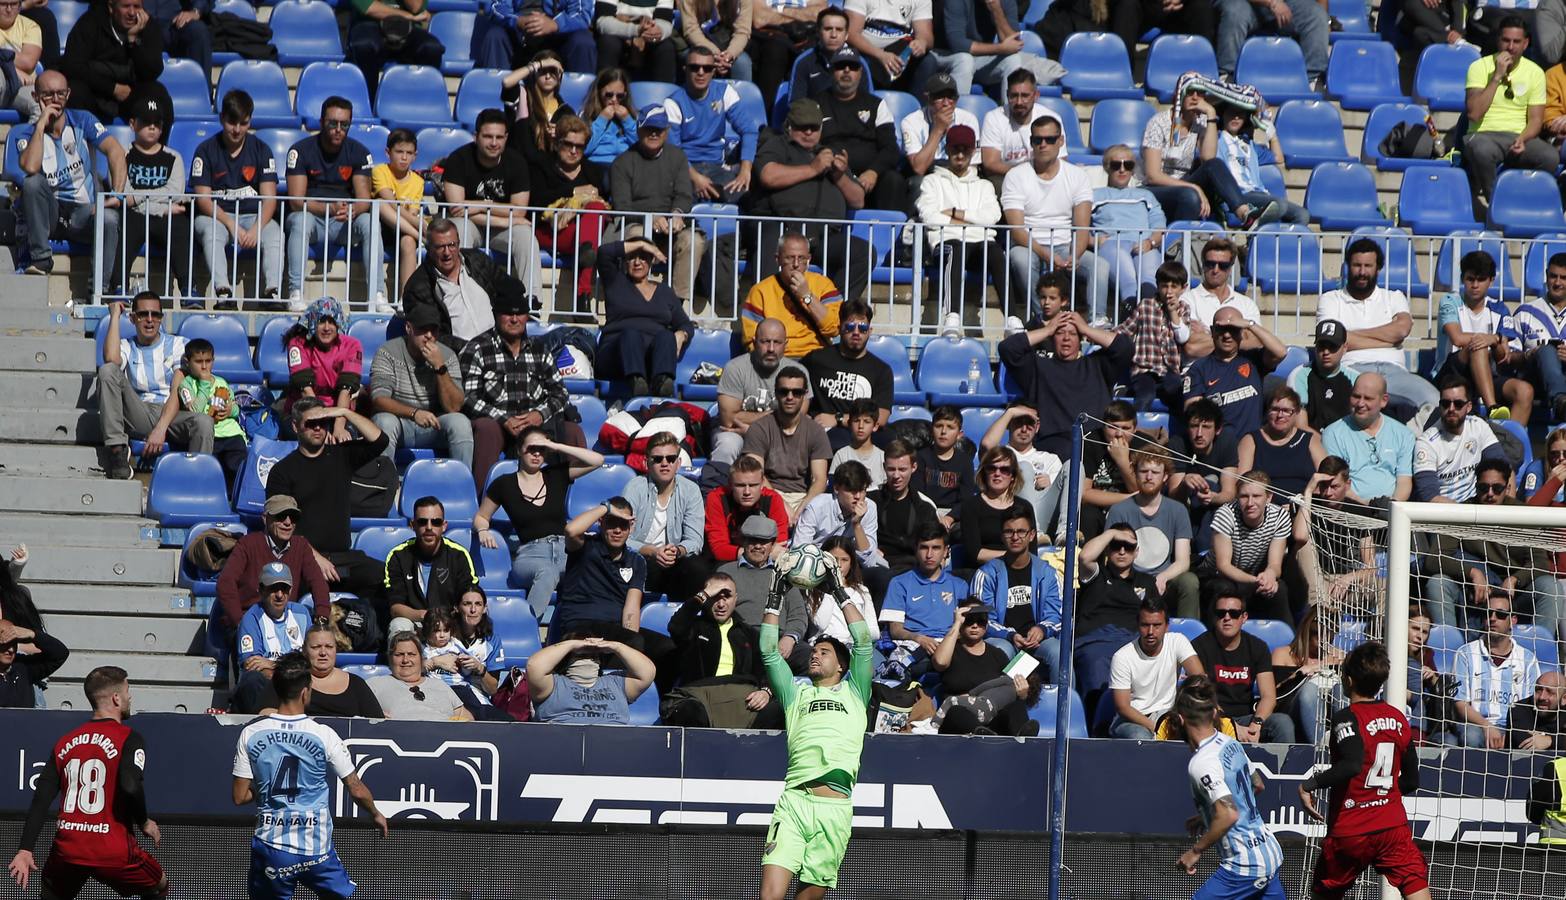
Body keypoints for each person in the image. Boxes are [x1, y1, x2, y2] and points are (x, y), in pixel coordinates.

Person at [758, 542, 873, 900]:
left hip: (834, 808)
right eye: (814, 651)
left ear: (842, 665)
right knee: (770, 897)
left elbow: (864, 640)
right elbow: (767, 649)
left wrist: (839, 590)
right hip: (794, 802)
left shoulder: (855, 693)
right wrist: (776, 592)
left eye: (825, 652)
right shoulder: (796, 694)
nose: (816, 656)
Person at [234, 652, 388, 897]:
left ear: (276, 688)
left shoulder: (251, 734)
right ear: (306, 692)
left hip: (272, 847)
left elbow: (240, 797)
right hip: (316, 850)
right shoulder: (323, 734)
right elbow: (356, 788)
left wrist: (262, 788)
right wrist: (376, 813)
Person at [9, 667, 167, 899]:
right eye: (127, 691)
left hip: (69, 849)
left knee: (51, 890)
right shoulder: (129, 737)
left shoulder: (66, 741)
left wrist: (25, 849)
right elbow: (131, 785)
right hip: (113, 849)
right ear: (116, 698)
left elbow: (41, 797)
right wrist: (144, 822)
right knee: (159, 885)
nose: (129, 696)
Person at [1298, 642, 1432, 900]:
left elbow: (1351, 764)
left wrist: (1309, 785)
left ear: (1348, 680)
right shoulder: (1398, 718)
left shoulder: (1346, 717)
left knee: (1325, 891)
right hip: (1391, 826)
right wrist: (1386, 793)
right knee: (1414, 883)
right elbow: (1412, 780)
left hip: (1352, 827)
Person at [458, 281, 584, 492]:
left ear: (527, 316)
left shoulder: (540, 349)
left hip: (536, 423)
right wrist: (503, 418)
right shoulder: (477, 348)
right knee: (486, 429)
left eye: (520, 314)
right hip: (497, 423)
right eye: (508, 313)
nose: (514, 319)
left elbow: (560, 393)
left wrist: (539, 415)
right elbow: (468, 397)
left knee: (572, 431)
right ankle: (482, 501)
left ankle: (574, 503)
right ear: (496, 314)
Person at [265, 399, 390, 605]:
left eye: (322, 422)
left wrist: (343, 412)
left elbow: (380, 441)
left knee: (385, 579)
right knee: (283, 586)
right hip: (303, 558)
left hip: (343, 558)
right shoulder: (282, 471)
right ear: (295, 427)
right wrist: (314, 557)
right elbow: (279, 525)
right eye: (310, 423)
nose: (317, 428)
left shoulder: (342, 455)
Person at [1171, 675, 1285, 897]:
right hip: (1270, 851)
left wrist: (1195, 851)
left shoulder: (1201, 762)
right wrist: (1209, 814)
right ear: (1214, 714)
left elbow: (1229, 814)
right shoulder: (1229, 742)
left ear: (1181, 720)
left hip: (1245, 866)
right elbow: (1257, 785)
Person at [749, 101, 872, 305]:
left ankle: (832, 311)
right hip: (782, 230)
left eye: (813, 127)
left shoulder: (829, 154)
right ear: (789, 126)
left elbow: (858, 200)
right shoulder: (777, 145)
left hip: (823, 237)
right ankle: (768, 313)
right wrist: (813, 169)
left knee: (861, 252)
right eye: (801, 127)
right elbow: (768, 175)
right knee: (769, 240)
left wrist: (839, 176)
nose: (808, 132)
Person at [473, 426, 603, 617]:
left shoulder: (555, 474)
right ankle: (526, 625)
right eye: (531, 448)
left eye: (541, 449)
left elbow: (597, 460)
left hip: (565, 550)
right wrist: (483, 530)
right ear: (519, 450)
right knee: (547, 572)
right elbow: (481, 517)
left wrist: (555, 445)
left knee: (594, 570)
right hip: (530, 554)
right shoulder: (504, 484)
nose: (536, 453)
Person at [18, 69, 124, 287]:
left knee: (110, 218)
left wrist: (116, 195)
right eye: (48, 94)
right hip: (51, 213)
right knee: (32, 182)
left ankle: (98, 290)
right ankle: (41, 260)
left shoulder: (82, 120)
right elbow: (30, 167)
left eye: (60, 93)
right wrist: (40, 125)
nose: (55, 100)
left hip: (83, 211)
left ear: (68, 94)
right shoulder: (27, 133)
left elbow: (116, 151)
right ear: (36, 97)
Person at [1318, 238, 1441, 417]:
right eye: (1356, 265)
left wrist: (1349, 336)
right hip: (1352, 370)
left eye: (1368, 266)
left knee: (1435, 401)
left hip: (1395, 372)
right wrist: (1387, 341)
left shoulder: (1394, 297)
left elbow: (1401, 331)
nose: (1362, 272)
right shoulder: (1330, 299)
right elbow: (1333, 342)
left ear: (1378, 268)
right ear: (1347, 266)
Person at [1002, 114, 1109, 317]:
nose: (1043, 144)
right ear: (1031, 142)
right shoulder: (1015, 176)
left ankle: (1098, 320)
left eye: (1050, 139)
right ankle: (1041, 319)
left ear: (1060, 141)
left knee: (1100, 266)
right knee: (1022, 260)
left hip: (1065, 245)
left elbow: (1082, 227)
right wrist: (1048, 255)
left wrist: (1074, 255)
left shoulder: (1077, 176)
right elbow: (1017, 231)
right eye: (1037, 140)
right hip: (1029, 245)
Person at [95, 292, 210, 480]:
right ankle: (117, 451)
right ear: (133, 318)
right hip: (138, 412)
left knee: (204, 423)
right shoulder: (126, 345)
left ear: (161, 318)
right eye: (143, 315)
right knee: (108, 371)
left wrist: (160, 429)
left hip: (173, 413)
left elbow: (177, 391)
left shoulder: (178, 345)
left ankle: (196, 481)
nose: (150, 320)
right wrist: (115, 316)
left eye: (155, 315)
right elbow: (111, 359)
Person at [284, 98, 384, 311]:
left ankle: (377, 294)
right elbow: (295, 200)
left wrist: (353, 210)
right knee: (300, 219)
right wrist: (327, 208)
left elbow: (364, 199)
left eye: (344, 124)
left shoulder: (359, 152)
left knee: (369, 221)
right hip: (311, 220)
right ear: (321, 122)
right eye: (332, 123)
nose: (338, 129)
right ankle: (295, 292)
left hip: (342, 223)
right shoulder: (301, 150)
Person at [999, 309, 1135, 459]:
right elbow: (1008, 348)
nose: (1066, 338)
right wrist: (1047, 329)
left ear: (1081, 338)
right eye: (1059, 333)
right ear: (1052, 338)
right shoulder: (1037, 367)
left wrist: (1086, 329)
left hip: (1094, 444)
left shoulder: (1098, 365)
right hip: (1053, 447)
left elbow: (1125, 348)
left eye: (1073, 333)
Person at [191, 89, 283, 307]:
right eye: (232, 123)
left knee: (274, 234)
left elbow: (270, 199)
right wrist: (231, 224)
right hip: (217, 215)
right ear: (222, 118)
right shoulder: (205, 150)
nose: (237, 129)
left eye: (244, 123)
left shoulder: (262, 150)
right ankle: (223, 292)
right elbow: (203, 200)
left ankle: (272, 292)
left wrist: (255, 229)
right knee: (211, 232)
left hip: (253, 215)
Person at [608, 106, 705, 305]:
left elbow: (684, 196)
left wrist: (677, 214)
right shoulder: (622, 162)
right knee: (636, 235)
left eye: (659, 129)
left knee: (693, 240)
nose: (654, 133)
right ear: (638, 129)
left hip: (670, 229)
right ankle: (635, 299)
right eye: (649, 128)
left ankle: (676, 305)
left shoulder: (677, 157)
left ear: (667, 131)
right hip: (638, 224)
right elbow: (622, 207)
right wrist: (650, 219)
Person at [444, 108, 543, 299]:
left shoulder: (517, 162)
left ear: (506, 137)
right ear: (476, 137)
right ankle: (458, 296)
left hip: (496, 229)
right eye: (488, 136)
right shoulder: (458, 159)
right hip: (473, 224)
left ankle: (532, 303)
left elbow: (520, 211)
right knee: (459, 227)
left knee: (525, 236)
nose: (494, 143)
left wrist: (481, 205)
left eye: (499, 137)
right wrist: (507, 219)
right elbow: (457, 209)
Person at [662, 573, 783, 729]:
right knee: (688, 711)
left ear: (736, 599)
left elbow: (767, 669)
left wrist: (766, 691)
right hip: (700, 696)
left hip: (742, 698)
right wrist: (703, 594)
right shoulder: (693, 628)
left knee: (778, 711)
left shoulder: (749, 634)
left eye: (727, 596)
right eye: (715, 596)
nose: (721, 604)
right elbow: (675, 626)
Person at [917, 122, 1007, 330]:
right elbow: (928, 216)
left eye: (965, 149)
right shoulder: (932, 181)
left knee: (995, 251)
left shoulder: (984, 185)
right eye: (955, 149)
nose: (959, 154)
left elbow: (992, 216)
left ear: (973, 151)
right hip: (945, 244)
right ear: (947, 150)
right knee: (955, 247)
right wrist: (971, 221)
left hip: (978, 245)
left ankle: (1012, 319)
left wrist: (955, 213)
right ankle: (952, 317)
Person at [1465, 17, 1555, 218]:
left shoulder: (1535, 72)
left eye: (1516, 42)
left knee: (1549, 157)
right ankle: (1498, 205)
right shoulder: (1479, 67)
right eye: (1506, 41)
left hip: (1517, 136)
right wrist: (1496, 76)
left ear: (1526, 43)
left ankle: (1526, 203)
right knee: (1481, 149)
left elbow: (1536, 120)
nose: (1511, 47)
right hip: (1483, 134)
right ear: (1499, 41)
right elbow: (1474, 113)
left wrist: (1523, 138)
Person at [369, 304, 473, 471]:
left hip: (434, 425)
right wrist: (414, 413)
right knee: (384, 421)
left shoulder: (447, 356)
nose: (429, 336)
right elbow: (379, 399)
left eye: (434, 330)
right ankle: (382, 486)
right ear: (409, 328)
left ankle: (460, 483)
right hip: (400, 423)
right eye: (422, 330)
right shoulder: (387, 352)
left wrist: (440, 367)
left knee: (460, 423)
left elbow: (454, 407)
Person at [1436, 250, 1532, 424]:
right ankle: (1492, 407)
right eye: (1470, 279)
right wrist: (1493, 338)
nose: (1475, 285)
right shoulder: (1450, 301)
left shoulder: (1500, 308)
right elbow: (1457, 338)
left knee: (1524, 390)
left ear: (1491, 280)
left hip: (1488, 372)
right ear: (1463, 278)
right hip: (1452, 372)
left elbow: (1503, 357)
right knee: (1478, 346)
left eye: (1481, 280)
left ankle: (1510, 443)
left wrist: (1495, 341)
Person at [1192, 582, 1296, 743]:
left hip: (1246, 717)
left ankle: (1287, 768)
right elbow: (1203, 697)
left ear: (1244, 617)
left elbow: (1268, 696)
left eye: (1234, 613)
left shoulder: (1257, 647)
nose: (1227, 618)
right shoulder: (1199, 646)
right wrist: (1230, 726)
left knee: (1282, 723)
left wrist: (1257, 723)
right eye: (1221, 613)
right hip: (1212, 718)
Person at [1140, 86, 1260, 224]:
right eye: (1190, 93)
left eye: (1200, 93)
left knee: (1214, 165)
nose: (1195, 97)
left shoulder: (1201, 121)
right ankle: (1177, 241)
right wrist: (1193, 187)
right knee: (1190, 195)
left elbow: (1208, 159)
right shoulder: (1158, 123)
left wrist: (1211, 113)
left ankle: (1245, 214)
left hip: (1184, 184)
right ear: (1180, 95)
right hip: (1156, 188)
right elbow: (1152, 176)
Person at [114, 98, 195, 303]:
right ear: (132, 124)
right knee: (125, 223)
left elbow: (175, 192)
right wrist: (163, 208)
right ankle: (118, 286)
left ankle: (188, 287)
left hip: (159, 216)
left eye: (157, 123)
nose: (152, 127)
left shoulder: (173, 157)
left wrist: (139, 199)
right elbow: (124, 194)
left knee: (180, 226)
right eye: (146, 121)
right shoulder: (122, 155)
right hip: (136, 216)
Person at [1072, 525, 1163, 705]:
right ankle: (1097, 727)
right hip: (1095, 642)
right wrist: (1111, 533)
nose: (1122, 551)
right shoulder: (1096, 573)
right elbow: (1084, 556)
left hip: (1132, 643)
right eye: (1115, 545)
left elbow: (1157, 618)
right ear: (1107, 548)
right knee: (1096, 664)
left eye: (1128, 546)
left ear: (1136, 552)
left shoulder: (1147, 581)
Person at [1107, 447, 1201, 619]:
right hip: (1130, 580)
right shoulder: (1119, 510)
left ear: (1165, 476)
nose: (1149, 477)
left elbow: (1182, 561)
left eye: (1155, 472)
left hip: (1164, 581)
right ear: (1135, 473)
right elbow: (1111, 556)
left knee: (1189, 581)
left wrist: (1163, 577)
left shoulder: (1178, 510)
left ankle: (1189, 638)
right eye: (1143, 471)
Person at [216, 495, 332, 634]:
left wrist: (322, 617)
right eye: (281, 516)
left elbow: (317, 582)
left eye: (293, 517)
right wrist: (240, 623)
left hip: (285, 623)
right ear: (265, 518)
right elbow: (225, 583)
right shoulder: (248, 544)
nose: (288, 522)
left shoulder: (301, 546)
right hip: (250, 620)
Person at [400, 216, 519, 350]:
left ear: (458, 244)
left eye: (451, 245)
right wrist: (472, 350)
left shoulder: (478, 261)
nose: (447, 253)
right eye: (440, 247)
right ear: (429, 249)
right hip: (458, 359)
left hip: (500, 349)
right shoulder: (417, 287)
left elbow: (510, 288)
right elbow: (430, 336)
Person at [812, 46, 906, 215]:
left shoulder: (877, 105)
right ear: (832, 71)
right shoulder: (816, 104)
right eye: (841, 66)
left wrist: (873, 172)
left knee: (894, 180)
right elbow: (810, 144)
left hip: (870, 178)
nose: (847, 70)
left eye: (853, 67)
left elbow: (891, 148)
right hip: (833, 174)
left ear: (860, 72)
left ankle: (892, 238)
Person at [527, 114, 608, 310]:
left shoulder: (593, 172)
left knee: (596, 210)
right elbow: (536, 202)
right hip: (549, 230)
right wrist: (573, 193)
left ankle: (582, 295)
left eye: (579, 146)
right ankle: (583, 293)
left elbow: (604, 205)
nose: (573, 151)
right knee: (589, 242)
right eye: (567, 144)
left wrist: (579, 206)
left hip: (583, 232)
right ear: (556, 143)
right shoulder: (540, 166)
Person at [550, 497, 655, 646]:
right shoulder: (585, 547)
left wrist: (629, 641)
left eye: (623, 524)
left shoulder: (636, 561)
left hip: (615, 629)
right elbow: (571, 530)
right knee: (634, 642)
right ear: (601, 523)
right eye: (612, 523)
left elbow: (631, 607)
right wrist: (606, 508)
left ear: (631, 526)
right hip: (580, 626)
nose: (617, 530)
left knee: (665, 648)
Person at [595, 238, 694, 396]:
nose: (637, 262)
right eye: (632, 257)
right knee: (631, 334)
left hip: (650, 359)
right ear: (625, 261)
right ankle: (636, 382)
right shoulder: (616, 281)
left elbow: (685, 324)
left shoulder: (665, 292)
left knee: (666, 336)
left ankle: (662, 383)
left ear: (651, 261)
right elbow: (603, 252)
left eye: (643, 257)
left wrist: (682, 334)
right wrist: (642, 245)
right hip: (617, 355)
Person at [971, 506, 1061, 679]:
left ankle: (1064, 705)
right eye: (1009, 532)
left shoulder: (1047, 573)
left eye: (1021, 532)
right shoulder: (986, 574)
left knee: (1057, 651)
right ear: (1001, 536)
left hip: (1040, 641)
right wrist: (1010, 634)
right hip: (1004, 639)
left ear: (1032, 535)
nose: (1015, 537)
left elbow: (1058, 615)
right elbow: (981, 619)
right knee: (1000, 650)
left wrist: (1042, 629)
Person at [662, 46, 760, 205]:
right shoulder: (673, 102)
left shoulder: (724, 92)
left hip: (717, 168)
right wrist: (695, 178)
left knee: (748, 197)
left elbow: (749, 130)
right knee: (680, 201)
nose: (701, 72)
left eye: (707, 68)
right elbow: (673, 151)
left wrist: (745, 170)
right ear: (685, 69)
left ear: (713, 71)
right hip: (685, 169)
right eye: (695, 67)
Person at [624, 431, 709, 601]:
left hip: (674, 560)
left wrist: (677, 551)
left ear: (678, 463)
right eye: (657, 459)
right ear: (646, 462)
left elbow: (695, 540)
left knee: (698, 568)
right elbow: (624, 538)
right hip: (641, 558)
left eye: (670, 459)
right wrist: (652, 551)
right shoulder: (635, 487)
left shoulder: (690, 490)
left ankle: (683, 622)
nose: (665, 463)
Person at [741, 365, 833, 520]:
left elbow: (819, 479)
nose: (790, 397)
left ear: (804, 395)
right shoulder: (759, 428)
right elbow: (756, 475)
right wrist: (782, 506)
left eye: (797, 392)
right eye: (784, 391)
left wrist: (803, 510)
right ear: (776, 393)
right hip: (768, 493)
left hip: (804, 496)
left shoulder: (816, 431)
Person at [1183, 305, 1287, 440]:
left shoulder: (1253, 360)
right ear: (1212, 331)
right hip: (1220, 448)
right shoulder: (1199, 369)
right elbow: (1193, 414)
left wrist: (1250, 325)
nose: (1227, 335)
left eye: (1232, 329)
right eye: (1221, 330)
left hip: (1252, 445)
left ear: (1241, 333)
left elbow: (1281, 352)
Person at [1451, 592, 1541, 747]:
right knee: (1472, 736)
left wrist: (1511, 734)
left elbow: (1530, 707)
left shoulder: (1528, 660)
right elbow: (1460, 704)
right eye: (1488, 613)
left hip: (1514, 727)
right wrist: (1486, 726)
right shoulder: (1465, 654)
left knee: (1526, 739)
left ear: (1512, 620)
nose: (1492, 618)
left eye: (1500, 614)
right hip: (1476, 725)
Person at [717, 515, 810, 668]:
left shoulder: (785, 574)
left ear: (772, 545)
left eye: (764, 542)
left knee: (810, 658)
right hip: (741, 637)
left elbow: (798, 614)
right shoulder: (726, 572)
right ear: (744, 542)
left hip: (779, 639)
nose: (758, 546)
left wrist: (789, 638)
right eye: (753, 540)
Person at [62, 0, 172, 127]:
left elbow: (152, 72)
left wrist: (133, 41)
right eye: (126, 6)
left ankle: (159, 146)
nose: (132, 12)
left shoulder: (148, 26)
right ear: (111, 7)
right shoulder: (90, 23)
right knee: (75, 91)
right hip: (96, 90)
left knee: (158, 94)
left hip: (131, 93)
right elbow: (72, 66)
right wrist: (112, 88)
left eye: (137, 7)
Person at [878, 521, 966, 679]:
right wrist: (919, 638)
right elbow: (895, 630)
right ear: (916, 550)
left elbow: (966, 626)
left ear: (946, 551)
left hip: (951, 645)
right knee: (895, 670)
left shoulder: (960, 585)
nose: (929, 554)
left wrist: (947, 642)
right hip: (913, 645)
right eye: (924, 547)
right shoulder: (899, 583)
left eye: (936, 548)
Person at [802, 298, 892, 448]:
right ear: (840, 328)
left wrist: (838, 418)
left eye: (862, 328)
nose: (856, 332)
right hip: (824, 431)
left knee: (892, 442)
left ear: (870, 331)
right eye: (850, 327)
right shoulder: (816, 360)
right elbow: (795, 387)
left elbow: (881, 417)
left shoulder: (881, 369)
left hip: (861, 431)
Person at [1108, 597, 1203, 738]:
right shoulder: (1122, 657)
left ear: (1167, 626)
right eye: (1145, 625)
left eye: (1157, 625)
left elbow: (1200, 679)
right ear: (1138, 625)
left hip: (1169, 714)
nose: (1151, 631)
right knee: (1140, 737)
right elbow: (1123, 707)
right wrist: (1158, 728)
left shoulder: (1177, 641)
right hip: (1133, 720)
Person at [1116, 261, 1204, 412]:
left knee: (1177, 392)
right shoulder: (1146, 306)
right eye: (1164, 286)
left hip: (1169, 369)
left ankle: (1176, 430)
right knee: (1145, 395)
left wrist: (1173, 313)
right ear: (1158, 285)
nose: (1168, 291)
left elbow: (1182, 337)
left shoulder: (1183, 308)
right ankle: (1138, 428)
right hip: (1144, 368)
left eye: (1174, 286)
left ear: (1183, 288)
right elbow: (1126, 329)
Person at [383, 497, 479, 635]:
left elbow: (470, 598)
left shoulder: (459, 555)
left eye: (436, 522)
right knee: (398, 624)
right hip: (414, 621)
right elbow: (395, 608)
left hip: (449, 625)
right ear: (413, 525)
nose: (429, 527)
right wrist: (425, 616)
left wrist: (443, 621)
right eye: (422, 522)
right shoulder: (398, 556)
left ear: (444, 526)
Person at [743, 232, 844, 359]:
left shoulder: (823, 285)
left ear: (809, 259)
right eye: (790, 258)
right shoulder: (760, 291)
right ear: (778, 259)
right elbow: (751, 339)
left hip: (816, 357)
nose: (796, 264)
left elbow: (834, 328)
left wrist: (807, 296)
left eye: (801, 258)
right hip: (778, 359)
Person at [1091, 144, 1167, 311]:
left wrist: (1151, 243)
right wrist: (1094, 241)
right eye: (1116, 165)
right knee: (1129, 280)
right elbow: (1078, 225)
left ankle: (1149, 318)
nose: (1122, 170)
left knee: (1148, 280)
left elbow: (1159, 224)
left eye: (1128, 165)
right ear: (1107, 168)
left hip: (1144, 243)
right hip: (1112, 243)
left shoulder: (1146, 195)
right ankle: (1131, 316)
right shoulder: (1094, 195)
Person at [232, 562, 314, 714]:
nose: (279, 595)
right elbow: (252, 666)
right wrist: (292, 669)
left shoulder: (302, 613)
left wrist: (272, 664)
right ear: (261, 590)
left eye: (284, 589)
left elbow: (311, 659)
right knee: (253, 680)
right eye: (273, 589)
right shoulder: (251, 618)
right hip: (269, 687)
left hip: (298, 683)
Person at [1208, 474, 1292, 622]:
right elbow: (1223, 565)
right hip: (1218, 576)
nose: (1250, 503)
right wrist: (1256, 580)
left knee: (1279, 588)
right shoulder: (1225, 515)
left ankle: (1288, 641)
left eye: (1257, 496)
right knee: (1224, 588)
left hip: (1255, 577)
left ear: (1269, 497)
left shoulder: (1280, 516)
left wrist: (1269, 577)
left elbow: (1275, 564)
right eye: (1244, 496)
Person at [255, 623, 385, 718]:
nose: (323, 653)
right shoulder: (288, 679)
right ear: (304, 650)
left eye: (329, 647)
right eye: (316, 647)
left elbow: (377, 723)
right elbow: (264, 713)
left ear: (336, 650)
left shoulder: (357, 684)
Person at [929, 0, 1056, 98]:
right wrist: (1000, 48)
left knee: (1013, 60)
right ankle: (958, 120)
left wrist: (996, 10)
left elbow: (1014, 43)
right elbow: (958, 44)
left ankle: (1011, 120)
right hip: (945, 56)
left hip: (978, 59)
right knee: (964, 59)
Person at [1413, 375, 1509, 503]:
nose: (1451, 409)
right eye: (1446, 404)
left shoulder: (1478, 426)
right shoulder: (1426, 443)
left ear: (1469, 407)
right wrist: (1464, 514)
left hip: (1475, 504)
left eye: (1458, 404)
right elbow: (1430, 497)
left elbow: (1504, 468)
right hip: (1442, 513)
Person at [1323, 372, 1416, 502]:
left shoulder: (1404, 435)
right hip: (1351, 509)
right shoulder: (1333, 434)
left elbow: (1404, 482)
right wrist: (1370, 509)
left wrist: (1391, 509)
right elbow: (1337, 484)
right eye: (1356, 396)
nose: (1360, 403)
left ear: (1384, 401)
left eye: (1368, 398)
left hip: (1391, 511)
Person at [1209, 101, 1304, 225]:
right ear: (1223, 115)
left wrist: (1271, 132)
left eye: (1240, 114)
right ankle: (1254, 230)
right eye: (1232, 113)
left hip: (1258, 193)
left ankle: (1281, 242)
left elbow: (1278, 158)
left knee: (1302, 215)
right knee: (1278, 205)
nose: (1236, 117)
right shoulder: (1216, 140)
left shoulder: (1249, 145)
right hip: (1237, 195)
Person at [527, 632, 656, 724]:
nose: (589, 659)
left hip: (613, 744)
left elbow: (647, 672)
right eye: (581, 655)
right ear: (566, 659)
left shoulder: (615, 683)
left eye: (594, 655)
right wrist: (571, 645)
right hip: (563, 743)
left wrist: (617, 647)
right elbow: (534, 666)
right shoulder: (553, 684)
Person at [173, 339, 247, 494]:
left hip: (231, 434)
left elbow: (235, 408)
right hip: (210, 437)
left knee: (238, 467)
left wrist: (229, 410)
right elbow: (195, 410)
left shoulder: (221, 382)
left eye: (208, 361)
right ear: (188, 362)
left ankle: (235, 497)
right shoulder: (186, 385)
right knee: (212, 469)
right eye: (198, 361)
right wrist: (204, 384)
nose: (204, 366)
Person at [279, 297, 363, 432]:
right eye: (321, 322)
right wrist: (321, 427)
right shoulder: (297, 344)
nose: (327, 328)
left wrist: (339, 428)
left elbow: (346, 390)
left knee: (346, 439)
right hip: (305, 412)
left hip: (339, 413)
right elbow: (306, 390)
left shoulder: (352, 345)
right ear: (312, 323)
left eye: (332, 322)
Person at [1167, 400, 1240, 551]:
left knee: (1212, 484)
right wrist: (1184, 483)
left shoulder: (1227, 442)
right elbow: (1173, 496)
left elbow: (1229, 492)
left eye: (1206, 427)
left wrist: (1213, 497)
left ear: (1218, 429)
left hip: (1214, 507)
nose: (1199, 434)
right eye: (1194, 426)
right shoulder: (1177, 443)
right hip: (1185, 505)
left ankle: (1204, 549)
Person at [712, 319, 787, 466]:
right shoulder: (735, 368)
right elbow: (729, 420)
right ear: (754, 342)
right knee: (727, 444)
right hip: (734, 433)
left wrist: (753, 430)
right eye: (765, 341)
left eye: (777, 342)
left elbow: (796, 419)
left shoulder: (796, 372)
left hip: (776, 434)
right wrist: (774, 416)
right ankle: (718, 487)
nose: (771, 348)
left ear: (785, 344)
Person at [1237, 385, 1327, 500]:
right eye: (1274, 409)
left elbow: (1325, 478)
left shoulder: (1309, 440)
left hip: (1303, 508)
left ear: (1297, 412)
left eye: (1286, 411)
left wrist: (1300, 504)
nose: (1280, 415)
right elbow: (1241, 484)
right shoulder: (1251, 440)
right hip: (1264, 510)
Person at [1214, 0, 1328, 87]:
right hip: (1243, 3)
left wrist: (1326, 20)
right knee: (1235, 12)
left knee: (1316, 15)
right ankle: (1227, 78)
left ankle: (1312, 81)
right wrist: (1272, 2)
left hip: (1285, 4)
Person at [704, 455, 793, 564]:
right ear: (730, 484)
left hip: (763, 563)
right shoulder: (717, 498)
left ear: (762, 484)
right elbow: (719, 550)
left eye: (753, 485)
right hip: (727, 563)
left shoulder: (773, 499)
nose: (747, 492)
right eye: (740, 485)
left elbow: (780, 545)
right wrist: (759, 554)